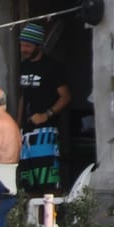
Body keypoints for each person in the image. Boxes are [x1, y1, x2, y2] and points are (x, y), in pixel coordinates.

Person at [16, 23, 71, 194]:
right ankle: (32, 218)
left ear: (38, 46)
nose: (24, 49)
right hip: (26, 133)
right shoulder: (24, 66)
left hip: (46, 132)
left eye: (28, 46)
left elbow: (66, 96)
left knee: (48, 180)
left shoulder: (52, 66)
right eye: (22, 45)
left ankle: (51, 217)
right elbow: (23, 97)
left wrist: (47, 114)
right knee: (28, 180)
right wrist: (17, 126)